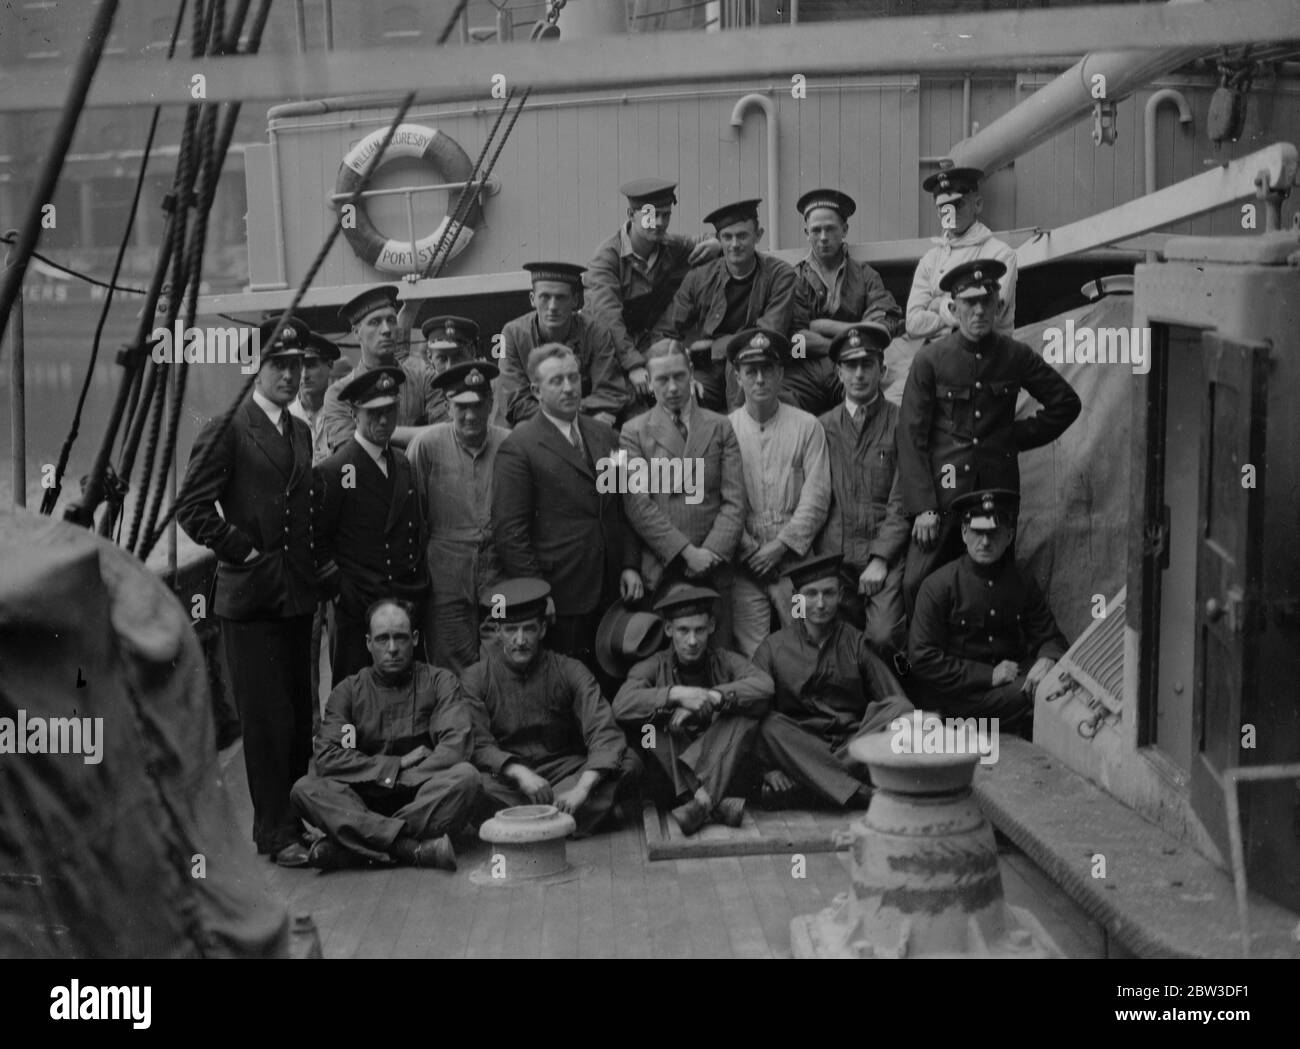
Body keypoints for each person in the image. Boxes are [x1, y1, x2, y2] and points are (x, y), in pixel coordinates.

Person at [175, 317, 318, 867]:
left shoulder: (300, 431)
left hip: (296, 596)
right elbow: (190, 507)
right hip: (252, 598)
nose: (288, 374)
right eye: (278, 364)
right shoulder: (228, 426)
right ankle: (274, 833)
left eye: (296, 365)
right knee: (266, 720)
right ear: (256, 368)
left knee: (299, 713)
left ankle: (300, 819)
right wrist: (243, 550)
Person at [898, 259, 1081, 613]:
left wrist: (1010, 438)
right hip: (944, 498)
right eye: (969, 303)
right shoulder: (931, 360)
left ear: (999, 305)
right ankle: (923, 664)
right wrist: (923, 508)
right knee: (917, 584)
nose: (979, 310)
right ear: (953, 308)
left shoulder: (1015, 355)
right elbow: (910, 436)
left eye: (987, 301)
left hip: (997, 494)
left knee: (993, 588)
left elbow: (1065, 403)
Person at [290, 599, 481, 871]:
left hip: (422, 796)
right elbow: (328, 757)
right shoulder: (349, 691)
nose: (392, 648)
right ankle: (410, 848)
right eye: (382, 639)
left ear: (414, 638)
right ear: (368, 642)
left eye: (400, 638)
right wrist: (394, 766)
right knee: (305, 789)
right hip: (361, 798)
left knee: (466, 778)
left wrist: (402, 780)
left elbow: (455, 746)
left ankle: (354, 846)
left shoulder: (440, 682)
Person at [492, 344, 643, 668]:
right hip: (561, 595)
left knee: (614, 677)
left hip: (613, 586)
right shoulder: (519, 447)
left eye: (573, 377)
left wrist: (630, 563)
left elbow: (623, 507)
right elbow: (510, 533)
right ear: (536, 390)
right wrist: (538, 593)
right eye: (557, 381)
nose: (569, 387)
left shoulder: (606, 435)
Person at [463, 579, 642, 838]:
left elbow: (604, 731)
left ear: (543, 629)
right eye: (511, 629)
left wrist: (582, 788)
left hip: (564, 773)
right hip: (509, 782)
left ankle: (528, 822)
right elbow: (478, 743)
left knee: (630, 761)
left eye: (529, 629)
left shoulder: (570, 670)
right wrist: (519, 772)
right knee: (470, 780)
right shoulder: (476, 677)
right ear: (498, 631)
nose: (520, 640)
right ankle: (575, 818)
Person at [751, 554, 914, 810]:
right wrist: (766, 771)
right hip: (800, 745)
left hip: (852, 743)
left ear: (840, 595)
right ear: (797, 598)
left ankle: (810, 785)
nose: (820, 603)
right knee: (768, 724)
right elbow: (753, 716)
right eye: (810, 594)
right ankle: (855, 791)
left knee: (901, 711)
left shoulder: (856, 643)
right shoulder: (773, 647)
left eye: (828, 593)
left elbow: (898, 704)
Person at [613, 585, 773, 836]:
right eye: (683, 630)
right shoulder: (654, 666)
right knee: (650, 728)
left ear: (711, 627)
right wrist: (676, 695)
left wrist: (714, 696)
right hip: (670, 776)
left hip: (719, 760)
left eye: (699, 630)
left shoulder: (725, 660)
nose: (692, 640)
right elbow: (622, 704)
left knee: (744, 714)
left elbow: (764, 686)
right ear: (668, 630)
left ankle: (703, 802)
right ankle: (710, 801)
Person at [908, 489, 1067, 737]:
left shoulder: (1021, 581)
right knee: (1046, 697)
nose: (984, 542)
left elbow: (1050, 637)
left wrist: (1047, 659)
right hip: (959, 697)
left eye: (993, 534)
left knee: (1057, 685)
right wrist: (988, 675)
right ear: (963, 533)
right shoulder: (939, 585)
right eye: (977, 532)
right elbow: (922, 659)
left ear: (1009, 536)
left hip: (1010, 690)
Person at [618, 337, 744, 648]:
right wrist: (688, 553)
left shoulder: (720, 427)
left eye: (679, 376)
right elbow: (638, 506)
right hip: (664, 570)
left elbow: (734, 500)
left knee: (718, 655)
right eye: (662, 379)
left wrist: (710, 554)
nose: (672, 387)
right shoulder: (634, 432)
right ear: (648, 382)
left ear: (691, 374)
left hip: (714, 569)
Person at [314, 366, 429, 682]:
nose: (383, 421)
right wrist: (342, 592)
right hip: (359, 609)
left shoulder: (402, 462)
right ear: (354, 414)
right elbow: (316, 542)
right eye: (373, 413)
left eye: (390, 411)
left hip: (403, 600)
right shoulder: (336, 470)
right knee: (357, 696)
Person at [726, 328, 831, 658]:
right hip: (745, 561)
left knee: (804, 641)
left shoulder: (807, 426)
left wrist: (780, 547)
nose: (760, 379)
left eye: (768, 369)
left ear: (781, 373)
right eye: (750, 371)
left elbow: (816, 498)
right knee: (753, 653)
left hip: (795, 561)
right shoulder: (724, 429)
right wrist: (750, 551)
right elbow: (721, 500)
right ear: (738, 377)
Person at [406, 361, 509, 675]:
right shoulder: (427, 446)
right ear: (448, 406)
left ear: (490, 405)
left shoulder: (509, 444)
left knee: (501, 659)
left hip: (498, 570)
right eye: (461, 406)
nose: (470, 415)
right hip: (446, 575)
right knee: (450, 664)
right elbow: (413, 517)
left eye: (478, 405)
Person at [583, 177, 721, 407]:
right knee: (627, 405)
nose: (658, 222)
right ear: (631, 214)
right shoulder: (606, 259)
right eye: (650, 215)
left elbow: (702, 241)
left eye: (665, 215)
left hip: (650, 343)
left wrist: (716, 243)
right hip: (609, 351)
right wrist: (635, 365)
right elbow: (608, 319)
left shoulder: (669, 245)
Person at [817, 323, 910, 658]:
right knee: (826, 636)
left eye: (867, 365)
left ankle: (890, 703)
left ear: (882, 370)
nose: (859, 374)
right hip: (834, 558)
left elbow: (903, 499)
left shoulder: (901, 423)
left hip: (883, 556)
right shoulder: (822, 427)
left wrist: (882, 558)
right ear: (838, 372)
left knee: (882, 637)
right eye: (850, 366)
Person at [656, 199, 797, 412]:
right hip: (709, 370)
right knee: (683, 398)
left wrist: (714, 347)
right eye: (727, 237)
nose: (734, 244)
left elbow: (766, 335)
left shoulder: (780, 275)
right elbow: (666, 328)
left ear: (758, 235)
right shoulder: (700, 277)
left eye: (742, 236)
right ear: (718, 240)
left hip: (756, 364)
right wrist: (681, 361)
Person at [789, 188, 904, 415]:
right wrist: (846, 339)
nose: (823, 237)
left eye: (830, 229)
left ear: (844, 229)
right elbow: (794, 343)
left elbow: (881, 328)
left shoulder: (865, 276)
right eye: (816, 230)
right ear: (806, 232)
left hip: (853, 364)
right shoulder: (793, 278)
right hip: (805, 368)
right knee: (782, 402)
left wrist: (821, 327)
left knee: (868, 405)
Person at [492, 261, 631, 427]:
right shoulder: (510, 333)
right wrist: (571, 416)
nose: (552, 307)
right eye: (545, 297)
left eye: (561, 298)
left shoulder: (596, 332)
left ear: (575, 300)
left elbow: (611, 392)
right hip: (536, 423)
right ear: (532, 299)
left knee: (609, 427)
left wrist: (574, 413)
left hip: (586, 421)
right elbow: (513, 402)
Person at [320, 285, 440, 453]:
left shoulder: (423, 378)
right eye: (374, 322)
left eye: (391, 321)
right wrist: (416, 435)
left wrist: (380, 433)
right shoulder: (339, 394)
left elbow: (446, 435)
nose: (386, 330)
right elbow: (350, 454)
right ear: (356, 333)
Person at [905, 167, 1017, 342]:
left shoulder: (1000, 254)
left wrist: (938, 304)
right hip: (941, 355)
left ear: (977, 205)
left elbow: (990, 317)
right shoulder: (930, 260)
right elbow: (912, 324)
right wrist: (960, 309)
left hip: (990, 356)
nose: (950, 213)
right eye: (944, 207)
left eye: (958, 204)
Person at [289, 330, 341, 466]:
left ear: (330, 364)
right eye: (299, 366)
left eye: (311, 365)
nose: (304, 375)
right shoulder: (284, 419)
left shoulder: (344, 415)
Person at [417, 314, 480, 425]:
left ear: (472, 352)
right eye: (442, 359)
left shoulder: (486, 387)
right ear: (430, 357)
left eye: (457, 357)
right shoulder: (423, 389)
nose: (450, 367)